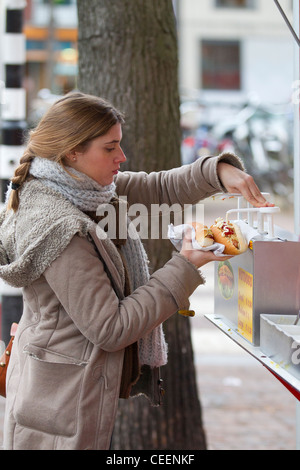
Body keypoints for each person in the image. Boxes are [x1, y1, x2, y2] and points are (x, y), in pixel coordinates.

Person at [0, 92, 271, 450]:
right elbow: (111, 329)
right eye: (110, 148)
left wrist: (218, 172)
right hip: (60, 406)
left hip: (65, 387)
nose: (121, 157)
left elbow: (159, 188)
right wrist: (187, 264)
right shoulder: (59, 225)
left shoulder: (82, 188)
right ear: (71, 153)